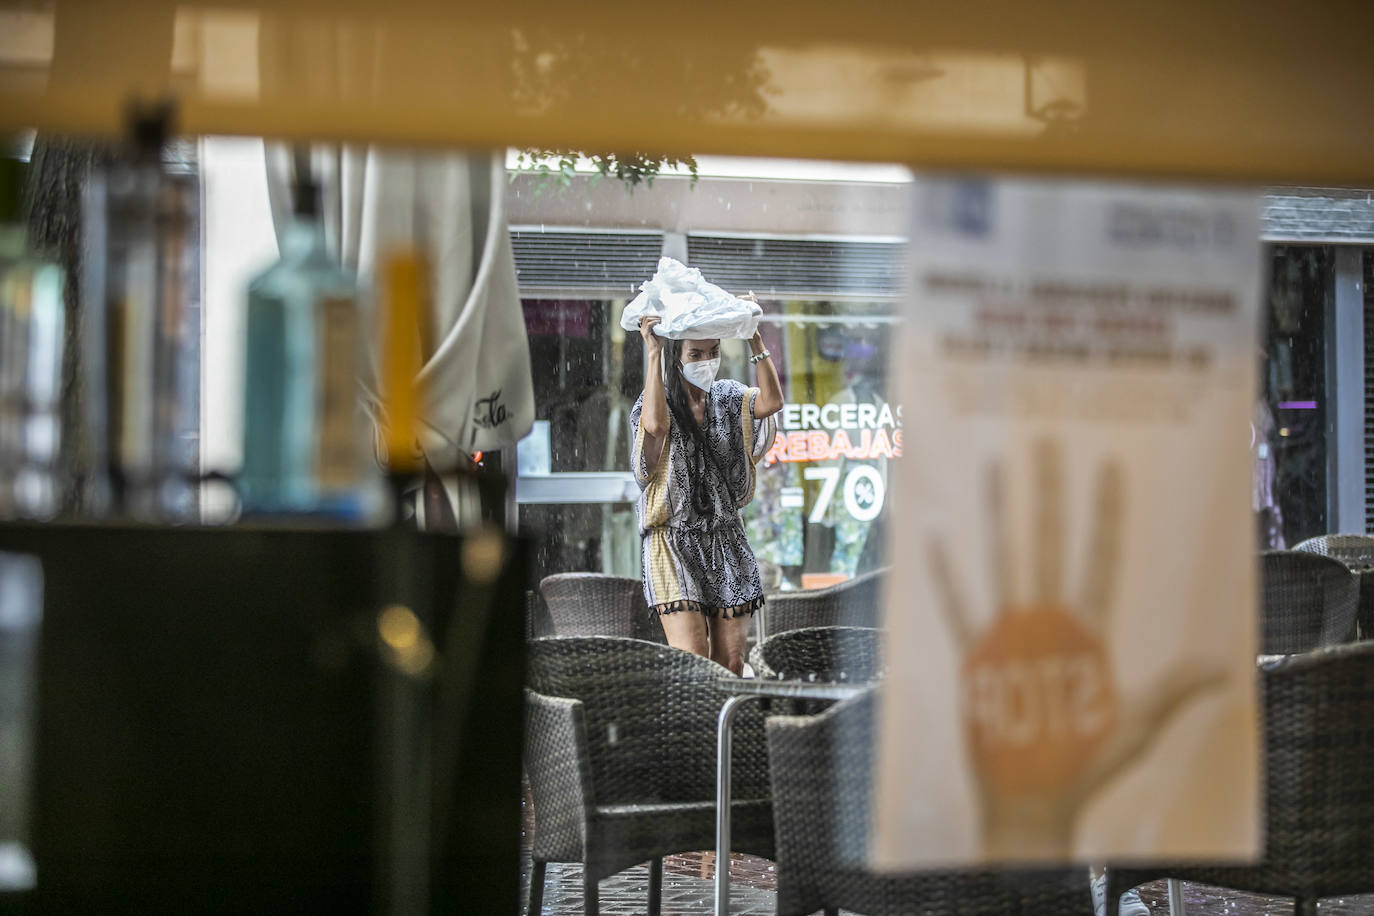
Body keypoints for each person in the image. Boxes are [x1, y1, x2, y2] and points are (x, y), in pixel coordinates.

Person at [630, 304, 783, 674]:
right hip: (673, 541)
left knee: (731, 662)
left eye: (713, 351)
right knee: (694, 663)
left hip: (725, 538)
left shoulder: (728, 397)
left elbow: (772, 402)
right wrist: (653, 353)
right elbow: (654, 427)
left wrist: (754, 337)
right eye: (696, 354)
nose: (706, 360)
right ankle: (695, 731)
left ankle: (725, 731)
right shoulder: (656, 401)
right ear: (677, 357)